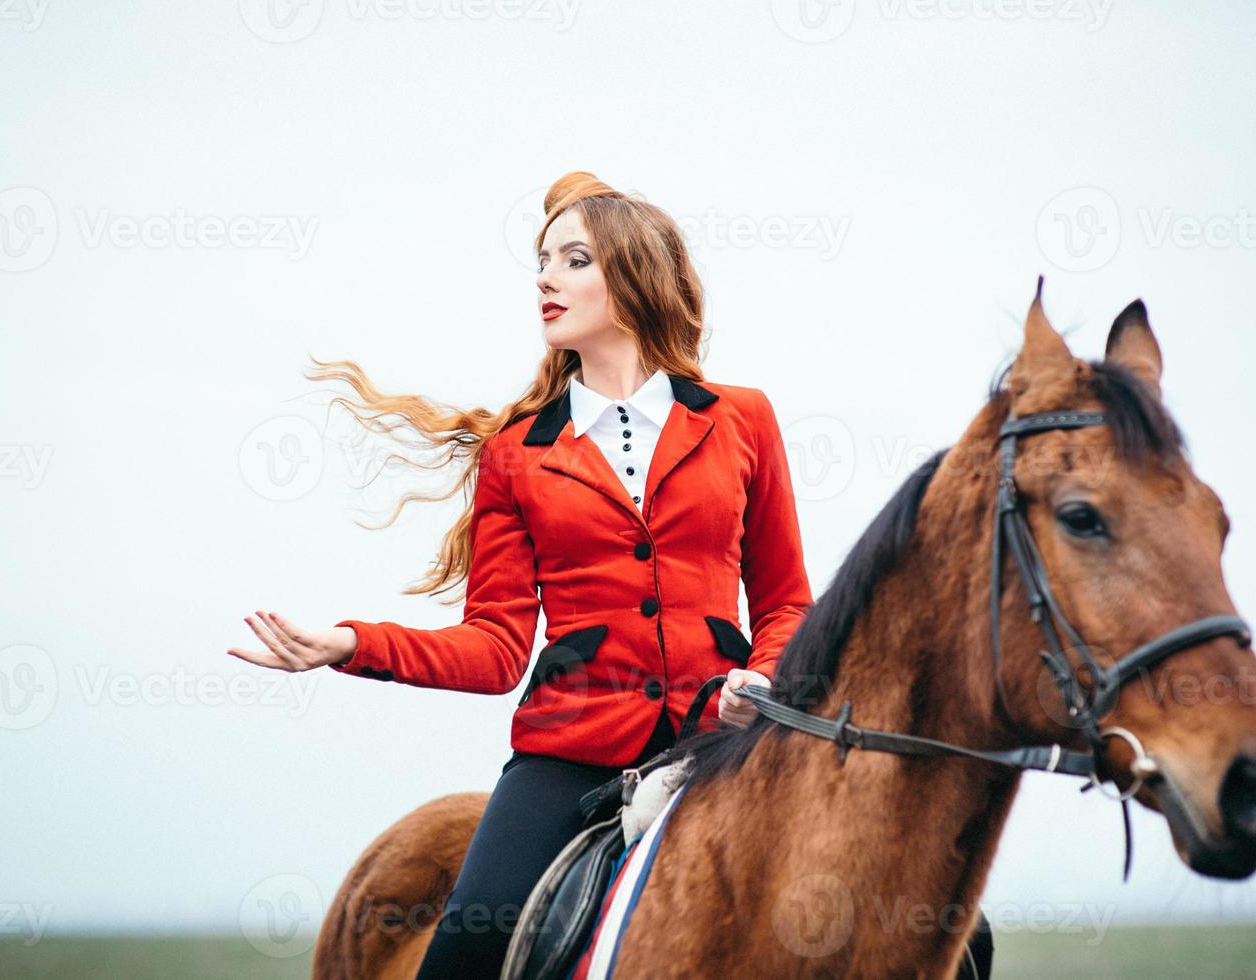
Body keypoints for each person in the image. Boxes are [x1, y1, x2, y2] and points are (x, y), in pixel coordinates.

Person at [227, 171, 815, 976]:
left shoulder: (743, 418)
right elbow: (496, 648)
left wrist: (762, 680)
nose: (544, 278)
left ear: (634, 274)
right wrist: (348, 644)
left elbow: (784, 599)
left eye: (572, 260)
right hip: (568, 754)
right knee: (467, 945)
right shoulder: (515, 454)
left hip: (724, 743)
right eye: (541, 261)